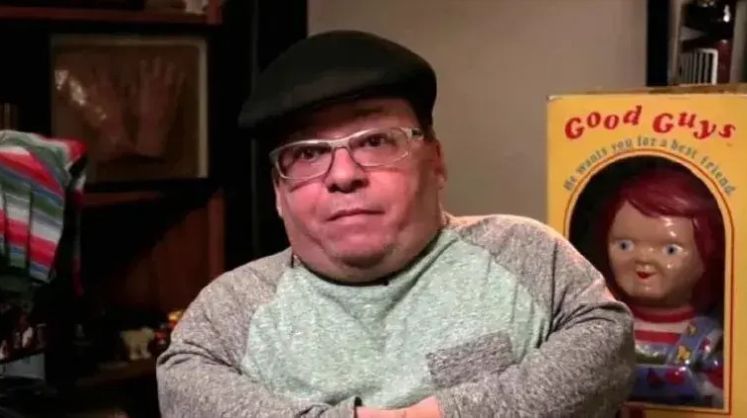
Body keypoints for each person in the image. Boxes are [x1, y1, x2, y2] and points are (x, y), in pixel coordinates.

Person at [156, 30, 635, 418]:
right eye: (307, 153)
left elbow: (607, 342)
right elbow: (183, 391)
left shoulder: (527, 256)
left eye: (375, 141)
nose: (343, 175)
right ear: (279, 193)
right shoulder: (230, 312)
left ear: (436, 162)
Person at [600, 165, 724, 408]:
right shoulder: (603, 326)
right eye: (625, 245)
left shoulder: (708, 337)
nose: (643, 258)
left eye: (670, 249)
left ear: (708, 255)